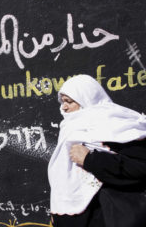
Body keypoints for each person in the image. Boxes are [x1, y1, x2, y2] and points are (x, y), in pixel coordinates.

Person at [48, 75, 146, 227]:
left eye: (69, 101)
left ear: (86, 99)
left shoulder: (116, 126)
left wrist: (90, 160)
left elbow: (139, 167)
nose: (64, 107)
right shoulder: (70, 129)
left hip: (108, 216)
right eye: (62, 102)